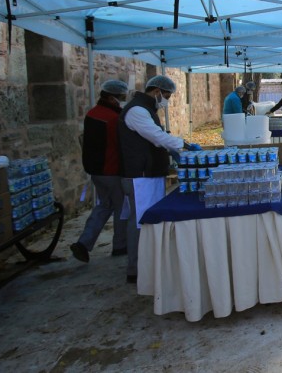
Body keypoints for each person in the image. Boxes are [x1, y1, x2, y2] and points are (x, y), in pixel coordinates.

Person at [118, 75, 197, 284]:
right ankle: (135, 269)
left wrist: (174, 151)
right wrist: (183, 144)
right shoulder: (137, 111)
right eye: (167, 96)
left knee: (147, 219)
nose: (167, 101)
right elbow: (156, 136)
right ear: (157, 92)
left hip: (149, 172)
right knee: (140, 221)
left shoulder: (146, 109)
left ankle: (148, 262)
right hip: (140, 175)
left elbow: (157, 138)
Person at [70, 79, 129, 263]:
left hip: (95, 171)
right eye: (121, 98)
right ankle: (120, 245)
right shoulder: (113, 119)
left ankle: (84, 242)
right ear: (112, 98)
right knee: (121, 208)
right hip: (111, 170)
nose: (123, 101)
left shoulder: (92, 114)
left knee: (104, 205)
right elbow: (120, 145)